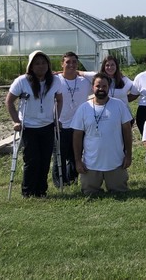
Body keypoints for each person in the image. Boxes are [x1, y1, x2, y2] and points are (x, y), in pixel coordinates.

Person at [5, 50, 63, 197]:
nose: (41, 66)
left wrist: (56, 118)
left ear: (48, 65)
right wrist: (16, 121)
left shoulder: (55, 81)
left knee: (45, 159)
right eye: (37, 63)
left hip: (47, 125)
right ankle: (28, 191)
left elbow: (59, 100)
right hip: (28, 127)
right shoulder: (22, 81)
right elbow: (9, 102)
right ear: (31, 66)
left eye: (43, 63)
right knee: (32, 160)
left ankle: (41, 191)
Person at [72, 73, 133, 194]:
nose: (101, 89)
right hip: (91, 164)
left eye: (104, 86)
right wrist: (78, 160)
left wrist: (128, 155)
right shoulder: (83, 108)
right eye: (98, 86)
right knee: (89, 193)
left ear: (109, 87)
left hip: (115, 163)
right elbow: (77, 136)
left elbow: (127, 131)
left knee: (120, 192)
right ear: (92, 87)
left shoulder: (119, 105)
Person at [53, 51, 92, 188]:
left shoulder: (84, 81)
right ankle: (60, 183)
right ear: (62, 64)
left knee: (76, 154)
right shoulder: (56, 80)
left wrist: (82, 73)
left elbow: (100, 76)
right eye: (68, 62)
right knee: (60, 155)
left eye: (74, 62)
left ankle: (73, 179)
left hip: (79, 125)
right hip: (61, 124)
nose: (71, 65)